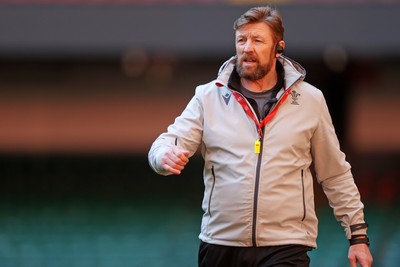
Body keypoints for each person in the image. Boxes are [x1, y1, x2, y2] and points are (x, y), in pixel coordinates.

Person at [148, 5, 373, 267]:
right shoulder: (207, 97)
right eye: (241, 40)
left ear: (278, 48)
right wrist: (163, 157)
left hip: (286, 245)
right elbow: (165, 143)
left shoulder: (311, 100)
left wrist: (357, 236)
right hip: (221, 244)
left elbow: (334, 172)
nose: (247, 48)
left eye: (257, 40)